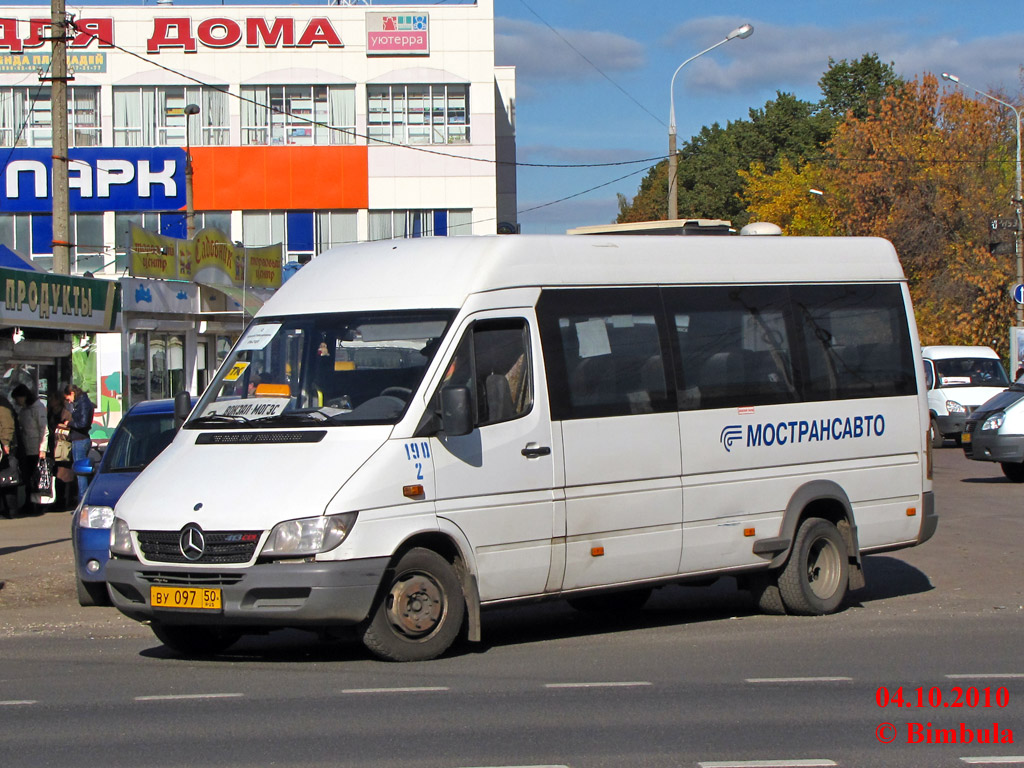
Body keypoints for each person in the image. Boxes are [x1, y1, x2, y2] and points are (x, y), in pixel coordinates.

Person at [10, 384, 47, 516]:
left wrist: (43, 448)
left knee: (36, 478)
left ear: (24, 396)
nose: (17, 402)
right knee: (28, 477)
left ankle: (36, 504)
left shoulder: (37, 408)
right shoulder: (24, 410)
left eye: (18, 398)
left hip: (36, 448)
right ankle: (28, 503)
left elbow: (44, 429)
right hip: (26, 447)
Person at [64, 385, 95, 503]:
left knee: (80, 473)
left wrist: (70, 423)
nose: (69, 401)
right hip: (81, 439)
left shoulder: (82, 404)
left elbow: (83, 423)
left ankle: (83, 502)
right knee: (81, 472)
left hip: (80, 440)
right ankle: (82, 500)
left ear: (72, 393)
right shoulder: (82, 402)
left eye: (68, 398)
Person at [47, 392, 74, 511]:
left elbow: (69, 428)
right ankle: (59, 499)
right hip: (53, 446)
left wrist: (61, 426)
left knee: (63, 474)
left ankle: (64, 500)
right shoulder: (50, 412)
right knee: (56, 473)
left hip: (62, 447)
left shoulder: (65, 413)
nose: (50, 401)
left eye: (52, 398)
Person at [0, 394, 19, 518]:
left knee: (8, 479)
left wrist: (6, 443)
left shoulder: (3, 405)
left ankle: (11, 509)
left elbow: (8, 425)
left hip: (3, 447)